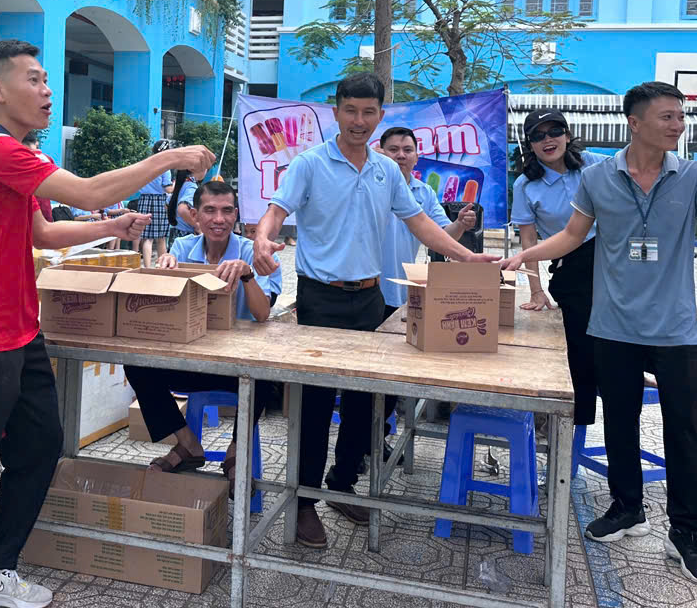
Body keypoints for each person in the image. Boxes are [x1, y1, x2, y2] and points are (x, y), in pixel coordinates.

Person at [0, 39, 214, 608]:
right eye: (34, 79)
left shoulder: (23, 156)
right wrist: (168, 157)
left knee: (39, 447)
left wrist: (111, 227)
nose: (47, 90)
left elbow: (42, 231)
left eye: (47, 79)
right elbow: (86, 191)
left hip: (22, 331)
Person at [502, 82, 697, 587]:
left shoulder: (692, 176)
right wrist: (524, 257)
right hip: (613, 324)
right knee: (619, 420)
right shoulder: (598, 178)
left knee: (683, 429)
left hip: (674, 327)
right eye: (667, 117)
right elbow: (572, 235)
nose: (677, 125)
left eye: (680, 117)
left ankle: (687, 533)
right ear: (635, 123)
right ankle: (626, 508)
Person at [253, 72, 499, 548]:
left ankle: (342, 484)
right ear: (336, 112)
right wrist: (263, 238)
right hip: (321, 298)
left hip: (371, 298)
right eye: (350, 110)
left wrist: (466, 256)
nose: (359, 120)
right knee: (315, 403)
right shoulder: (309, 164)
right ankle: (304, 503)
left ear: (380, 116)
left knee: (368, 401)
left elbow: (420, 222)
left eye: (369, 112)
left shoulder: (386, 170)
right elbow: (276, 211)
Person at [125, 179, 282, 489]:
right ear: (195, 216)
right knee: (136, 363)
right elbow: (162, 310)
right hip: (191, 362)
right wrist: (164, 271)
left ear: (236, 214)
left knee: (266, 373)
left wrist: (247, 275)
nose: (218, 219)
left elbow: (263, 314)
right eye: (209, 211)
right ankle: (187, 443)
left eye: (226, 211)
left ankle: (236, 450)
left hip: (236, 368)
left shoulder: (251, 251)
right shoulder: (182, 248)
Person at [510, 109, 610, 430]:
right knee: (579, 351)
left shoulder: (593, 164)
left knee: (622, 336)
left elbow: (633, 169)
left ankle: (632, 371)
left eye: (555, 131)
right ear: (530, 145)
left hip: (611, 259)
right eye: (538, 136)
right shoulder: (525, 185)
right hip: (571, 267)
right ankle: (573, 427)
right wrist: (536, 290)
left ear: (568, 135)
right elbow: (529, 241)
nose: (548, 140)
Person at [377, 126, 475, 321]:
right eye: (393, 150)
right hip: (367, 289)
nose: (401, 155)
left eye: (407, 150)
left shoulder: (425, 192)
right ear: (380, 154)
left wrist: (460, 224)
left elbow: (444, 236)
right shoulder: (368, 186)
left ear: (416, 157)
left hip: (402, 289)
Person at [136, 139, 172, 266]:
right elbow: (168, 188)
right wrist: (177, 186)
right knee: (161, 237)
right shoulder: (165, 168)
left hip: (144, 200)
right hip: (159, 201)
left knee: (147, 237)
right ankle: (162, 266)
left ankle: (146, 267)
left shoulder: (145, 165)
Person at [21, 132, 54, 222]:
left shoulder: (20, 157)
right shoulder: (47, 158)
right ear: (36, 143)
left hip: (26, 207)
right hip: (44, 205)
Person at [169, 169, 200, 240]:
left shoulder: (182, 184)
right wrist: (197, 225)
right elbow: (182, 209)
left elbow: (168, 203)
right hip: (187, 235)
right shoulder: (191, 187)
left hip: (176, 232)